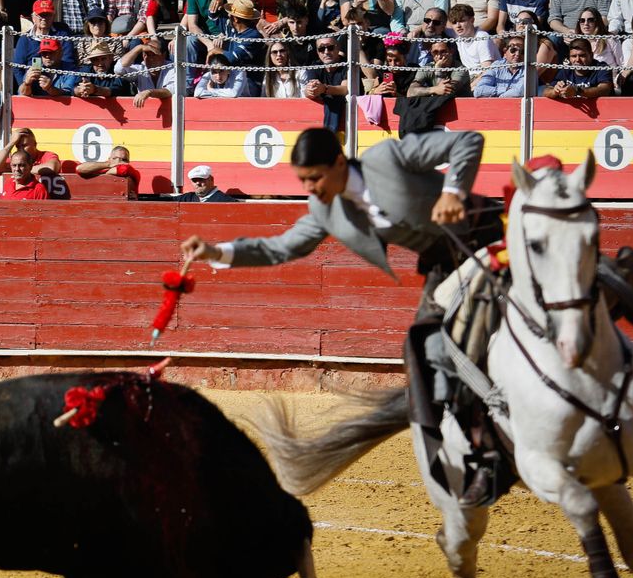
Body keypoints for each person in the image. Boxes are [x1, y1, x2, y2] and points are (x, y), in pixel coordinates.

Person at [179, 125, 502, 505]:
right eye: (304, 181)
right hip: (445, 266)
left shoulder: (387, 158)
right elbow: (282, 247)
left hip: (489, 233)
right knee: (425, 353)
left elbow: (468, 140)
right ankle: (486, 456)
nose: (311, 187)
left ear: (337, 162)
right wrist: (217, 252)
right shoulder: (325, 209)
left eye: (315, 177)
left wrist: (453, 191)